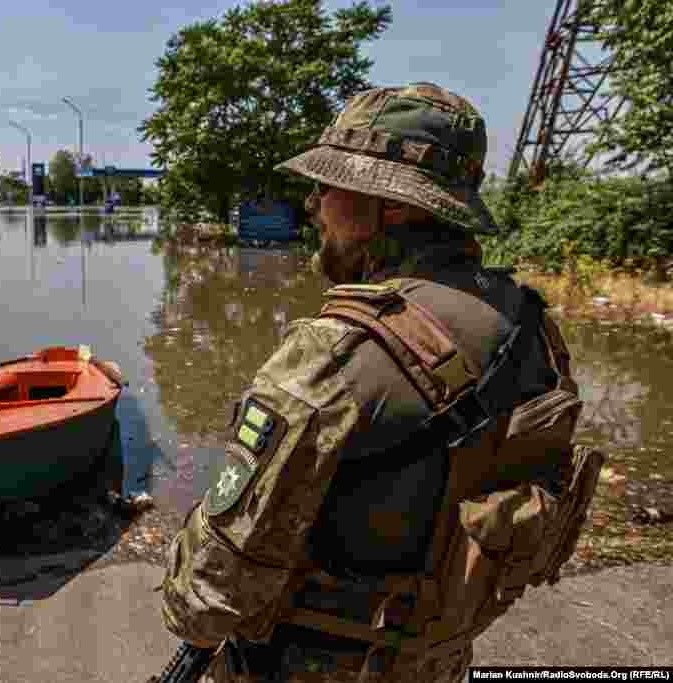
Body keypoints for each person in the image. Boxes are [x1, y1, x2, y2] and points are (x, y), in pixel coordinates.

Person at [158, 83, 605, 682]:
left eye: (330, 186)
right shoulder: (531, 326)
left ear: (391, 207)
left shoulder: (334, 352)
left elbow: (210, 593)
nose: (314, 204)